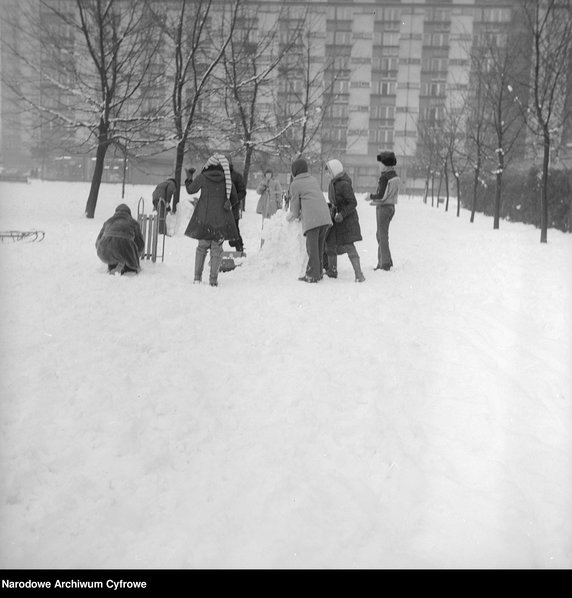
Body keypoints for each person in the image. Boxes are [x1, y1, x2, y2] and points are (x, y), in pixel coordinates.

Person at [184, 153, 239, 286]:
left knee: (201, 248)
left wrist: (189, 177)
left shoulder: (203, 177)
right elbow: (235, 198)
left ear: (209, 164)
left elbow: (191, 190)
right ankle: (213, 280)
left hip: (204, 219)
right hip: (221, 221)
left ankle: (197, 278)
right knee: (216, 250)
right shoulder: (227, 179)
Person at [286, 156, 332, 283]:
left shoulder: (295, 184)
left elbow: (295, 209)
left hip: (313, 220)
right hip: (325, 217)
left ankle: (312, 275)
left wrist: (290, 217)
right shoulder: (312, 179)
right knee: (319, 247)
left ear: (294, 171)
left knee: (312, 249)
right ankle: (318, 273)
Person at [324, 159, 365, 283]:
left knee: (349, 245)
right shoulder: (333, 183)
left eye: (329, 172)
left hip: (347, 220)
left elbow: (353, 203)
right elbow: (334, 201)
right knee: (330, 243)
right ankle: (332, 271)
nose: (327, 174)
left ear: (335, 171)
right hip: (336, 218)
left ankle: (359, 275)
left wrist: (342, 213)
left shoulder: (344, 184)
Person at [369, 150, 399, 271]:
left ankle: (384, 263)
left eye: (380, 163)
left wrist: (370, 196)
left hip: (383, 208)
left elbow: (380, 195)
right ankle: (386, 260)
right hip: (391, 207)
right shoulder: (394, 176)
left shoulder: (384, 177)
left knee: (382, 235)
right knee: (381, 235)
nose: (379, 165)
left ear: (385, 164)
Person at [95, 203, 145, 275]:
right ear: (129, 213)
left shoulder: (108, 222)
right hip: (125, 249)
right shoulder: (133, 223)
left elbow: (98, 241)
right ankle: (128, 268)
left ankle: (113, 265)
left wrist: (102, 250)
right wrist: (135, 255)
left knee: (114, 252)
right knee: (130, 265)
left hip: (106, 252)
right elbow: (140, 244)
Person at [227, 156, 246, 254]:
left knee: (235, 230)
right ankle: (215, 253)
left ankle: (239, 249)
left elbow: (242, 192)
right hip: (220, 209)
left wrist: (233, 200)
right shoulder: (218, 176)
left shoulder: (236, 176)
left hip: (233, 209)